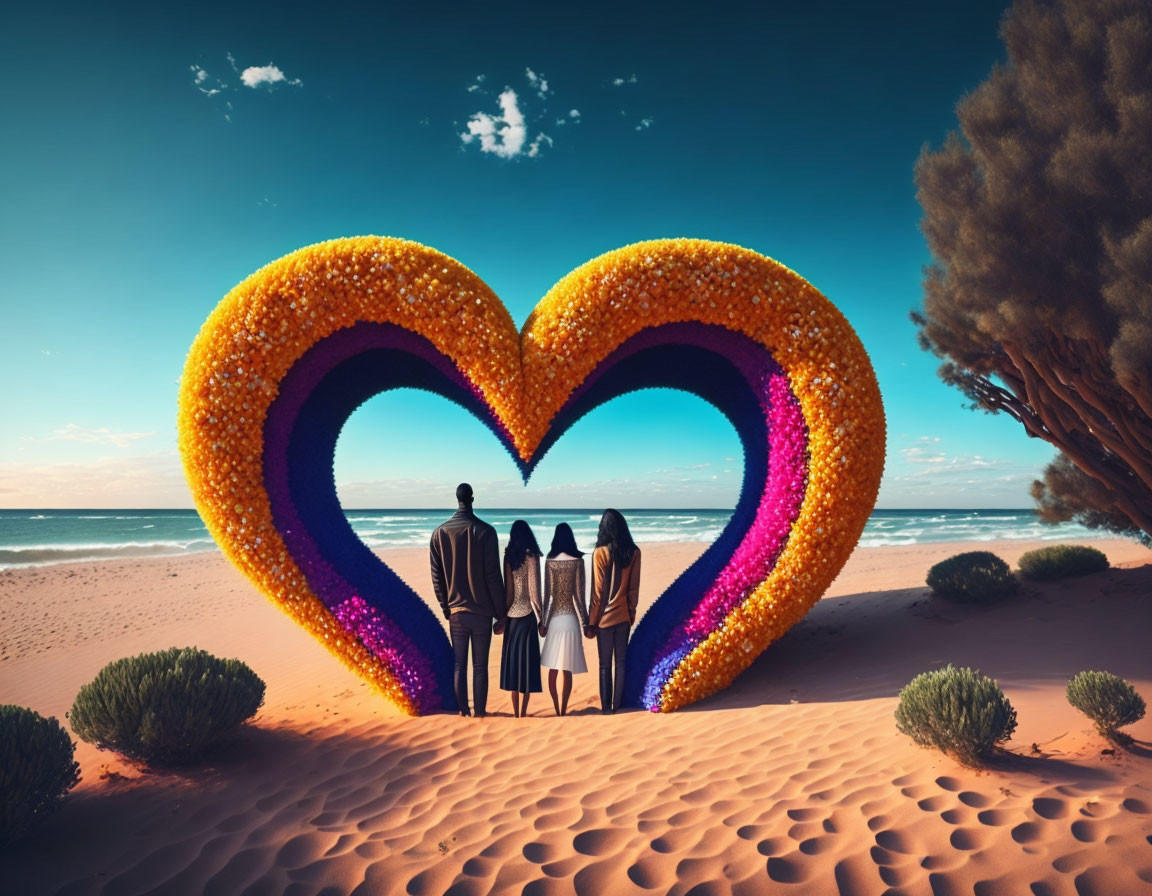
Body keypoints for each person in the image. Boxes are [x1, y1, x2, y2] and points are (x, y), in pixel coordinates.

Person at [429, 483, 505, 717]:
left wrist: (445, 607)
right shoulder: (486, 531)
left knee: (459, 665)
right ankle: (480, 711)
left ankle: (464, 711)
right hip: (482, 612)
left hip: (457, 611)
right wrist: (501, 613)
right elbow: (493, 576)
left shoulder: (439, 533)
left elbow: (436, 577)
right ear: (472, 498)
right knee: (480, 666)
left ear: (457, 499)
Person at [587, 509, 641, 714]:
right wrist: (631, 614)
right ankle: (618, 705)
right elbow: (633, 588)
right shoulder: (634, 552)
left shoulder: (600, 553)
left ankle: (605, 708)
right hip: (623, 617)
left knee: (604, 665)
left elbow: (597, 594)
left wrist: (591, 622)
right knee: (621, 663)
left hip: (604, 620)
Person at [539, 522, 589, 716]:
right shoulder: (578, 561)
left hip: (554, 620)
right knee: (566, 667)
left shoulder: (550, 561)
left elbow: (547, 596)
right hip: (570, 619)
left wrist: (543, 621)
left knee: (553, 667)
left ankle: (555, 707)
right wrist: (585, 623)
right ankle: (565, 707)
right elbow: (579, 596)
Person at [498, 520, 544, 718]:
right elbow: (535, 593)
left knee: (513, 666)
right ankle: (523, 712)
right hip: (527, 619)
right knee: (527, 666)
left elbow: (508, 593)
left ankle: (515, 712)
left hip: (512, 619)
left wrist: (502, 616)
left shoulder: (509, 557)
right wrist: (542, 617)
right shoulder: (532, 556)